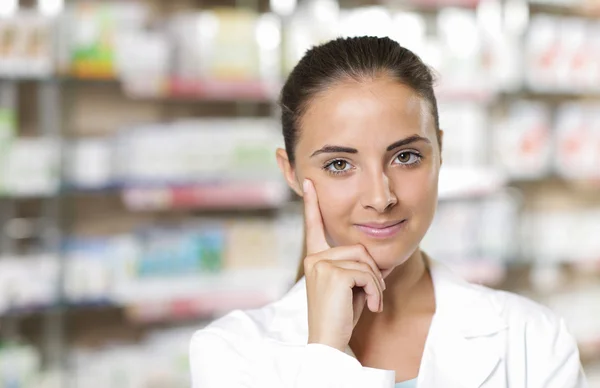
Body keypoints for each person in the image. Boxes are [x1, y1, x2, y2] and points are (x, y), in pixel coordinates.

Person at [189, 36, 588, 387]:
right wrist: (325, 352)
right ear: (291, 173)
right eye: (339, 165)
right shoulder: (231, 353)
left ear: (440, 153)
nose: (381, 198)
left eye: (406, 156)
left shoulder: (532, 337)